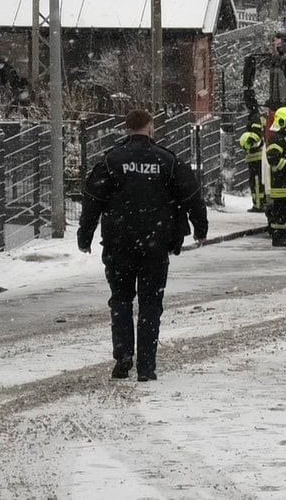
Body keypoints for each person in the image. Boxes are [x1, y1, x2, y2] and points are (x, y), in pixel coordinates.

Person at [77, 109, 208, 382]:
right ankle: (146, 366)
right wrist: (199, 228)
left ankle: (123, 359)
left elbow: (92, 199)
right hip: (155, 245)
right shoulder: (166, 160)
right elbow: (191, 195)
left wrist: (85, 235)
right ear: (150, 128)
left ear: (126, 129)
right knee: (150, 305)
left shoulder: (112, 160)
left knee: (121, 301)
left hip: (118, 245)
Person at [266, 106, 286, 247]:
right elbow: (273, 159)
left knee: (284, 213)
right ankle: (278, 238)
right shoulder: (276, 139)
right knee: (280, 213)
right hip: (280, 184)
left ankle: (283, 237)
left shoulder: (284, 137)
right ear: (282, 121)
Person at [237, 113, 267, 212]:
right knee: (256, 181)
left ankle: (259, 205)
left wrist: (248, 144)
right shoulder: (257, 117)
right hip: (256, 158)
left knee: (256, 182)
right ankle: (259, 203)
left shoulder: (255, 119)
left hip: (255, 158)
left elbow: (256, 137)